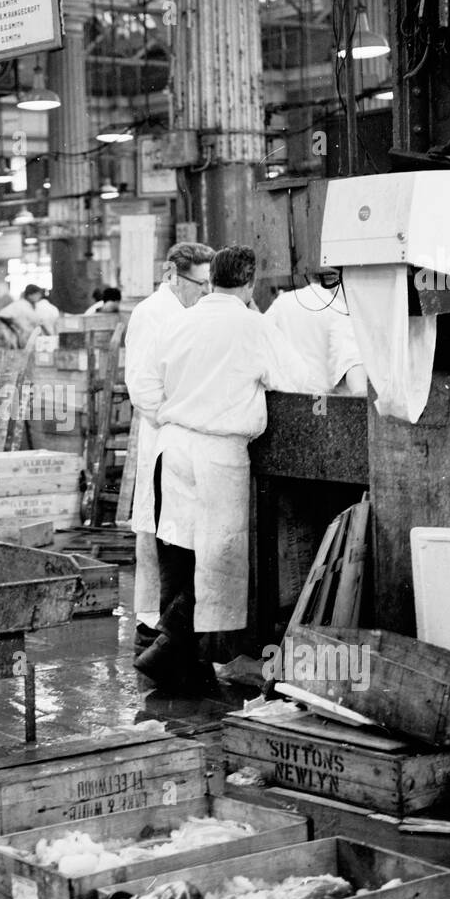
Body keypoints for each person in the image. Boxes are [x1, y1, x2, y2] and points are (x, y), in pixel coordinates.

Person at [136, 245, 309, 693]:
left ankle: (180, 661)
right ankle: (172, 651)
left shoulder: (179, 321)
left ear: (211, 279)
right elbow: (294, 381)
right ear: (249, 283)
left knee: (177, 553)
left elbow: (145, 387)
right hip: (219, 455)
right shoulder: (254, 325)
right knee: (216, 562)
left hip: (171, 448)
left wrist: (176, 414)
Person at [124, 242, 215, 654]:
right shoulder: (151, 313)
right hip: (163, 433)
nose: (205, 292)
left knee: (171, 531)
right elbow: (141, 387)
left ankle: (163, 620)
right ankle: (148, 622)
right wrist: (175, 418)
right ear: (172, 276)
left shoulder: (191, 311)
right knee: (154, 529)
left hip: (184, 435)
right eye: (199, 283)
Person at [262, 269, 367, 395]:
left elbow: (261, 336)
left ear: (309, 275)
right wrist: (360, 395)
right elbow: (350, 360)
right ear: (337, 279)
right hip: (323, 402)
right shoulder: (338, 309)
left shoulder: (281, 302)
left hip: (286, 399)